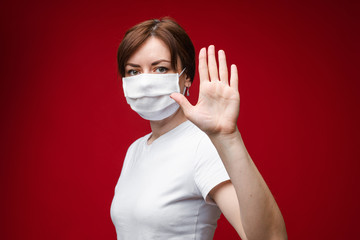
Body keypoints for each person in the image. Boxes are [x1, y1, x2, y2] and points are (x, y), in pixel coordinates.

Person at [110, 17, 287, 240]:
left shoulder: (202, 144)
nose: (145, 81)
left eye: (161, 68)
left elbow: (269, 237)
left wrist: (228, 138)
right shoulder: (135, 150)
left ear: (187, 78)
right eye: (134, 71)